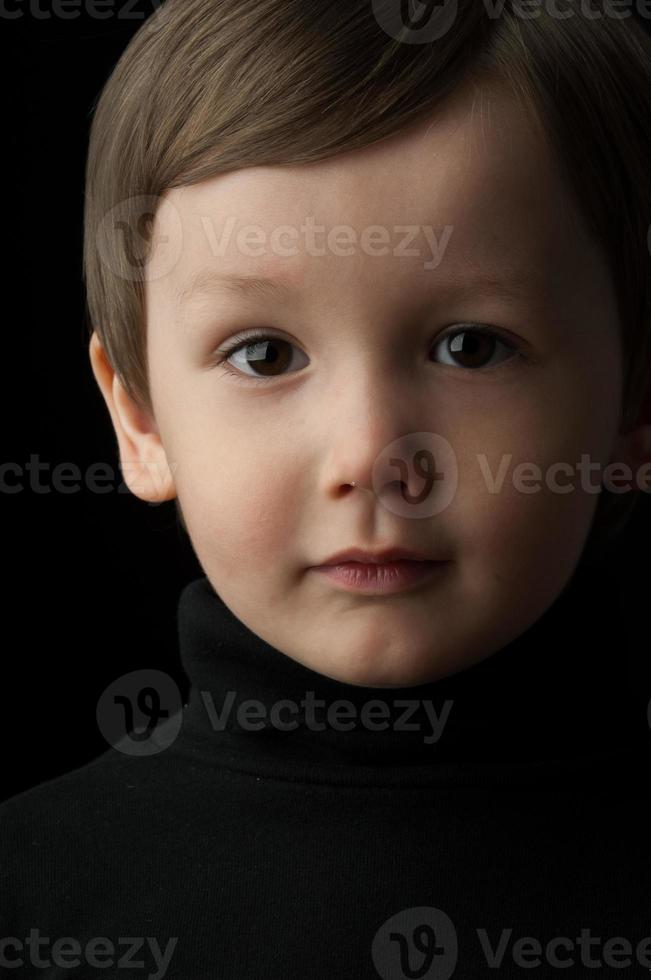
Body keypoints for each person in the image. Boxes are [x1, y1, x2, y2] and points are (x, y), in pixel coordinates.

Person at [2, 1, 651, 976]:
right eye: (265, 353)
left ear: (636, 401)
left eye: (470, 346)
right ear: (139, 420)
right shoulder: (27, 893)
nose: (371, 454)